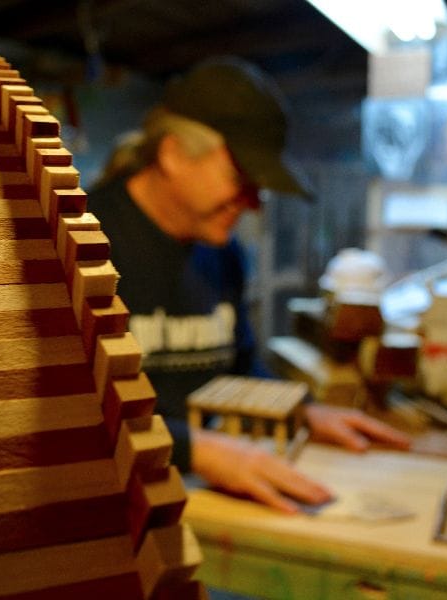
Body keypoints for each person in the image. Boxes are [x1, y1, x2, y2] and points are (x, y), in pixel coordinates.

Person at [87, 57, 410, 514]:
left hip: (201, 498)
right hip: (109, 504)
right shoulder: (81, 243)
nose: (254, 204)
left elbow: (238, 367)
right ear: (174, 155)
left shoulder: (223, 254)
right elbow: (66, 412)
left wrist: (301, 409)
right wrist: (195, 449)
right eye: (241, 179)